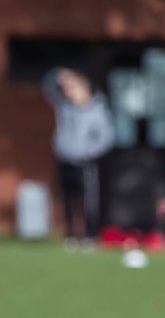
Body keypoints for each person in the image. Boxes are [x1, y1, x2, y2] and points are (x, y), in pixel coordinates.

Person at [42, 67, 115, 249]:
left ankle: (90, 236)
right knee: (67, 200)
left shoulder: (97, 110)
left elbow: (106, 138)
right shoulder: (65, 107)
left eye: (74, 88)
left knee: (88, 200)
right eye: (68, 89)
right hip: (65, 160)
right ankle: (71, 236)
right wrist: (58, 76)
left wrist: (87, 152)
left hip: (85, 163)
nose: (70, 93)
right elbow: (48, 89)